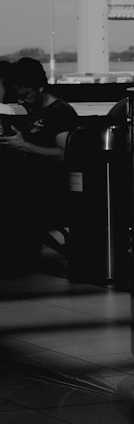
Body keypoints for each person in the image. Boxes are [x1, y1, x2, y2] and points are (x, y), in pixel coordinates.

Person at [0, 55, 79, 268]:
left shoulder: (60, 113)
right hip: (26, 185)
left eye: (25, 95)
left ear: (40, 88)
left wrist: (25, 146)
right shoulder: (29, 112)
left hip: (47, 188)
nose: (20, 101)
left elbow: (66, 155)